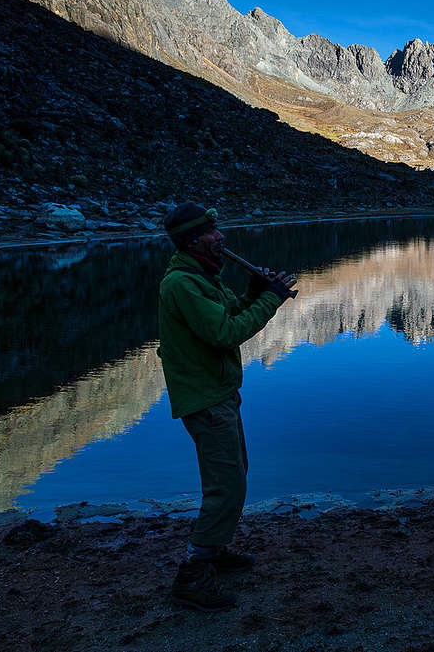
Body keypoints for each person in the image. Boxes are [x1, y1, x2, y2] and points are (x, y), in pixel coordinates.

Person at [157, 202, 296, 611]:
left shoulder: (201, 276)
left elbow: (230, 310)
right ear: (193, 239)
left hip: (216, 392)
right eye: (213, 233)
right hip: (204, 397)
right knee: (227, 485)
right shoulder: (182, 284)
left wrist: (255, 291)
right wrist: (271, 299)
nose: (221, 238)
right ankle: (192, 575)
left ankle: (213, 550)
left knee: (235, 474)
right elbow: (225, 332)